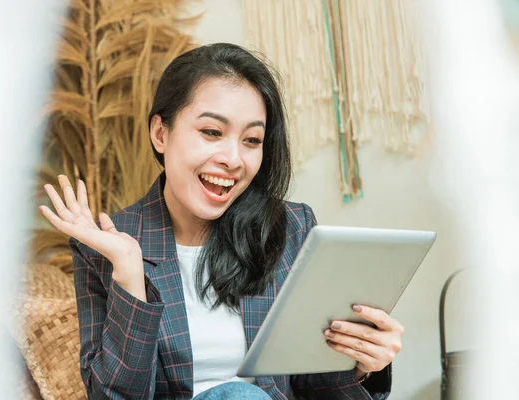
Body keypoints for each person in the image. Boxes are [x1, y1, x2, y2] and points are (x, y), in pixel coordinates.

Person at [39, 43, 404, 400]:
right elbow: (114, 396)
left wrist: (361, 365)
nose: (233, 159)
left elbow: (312, 387)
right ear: (160, 133)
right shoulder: (108, 246)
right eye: (212, 132)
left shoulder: (291, 229)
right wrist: (130, 277)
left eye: (251, 139)